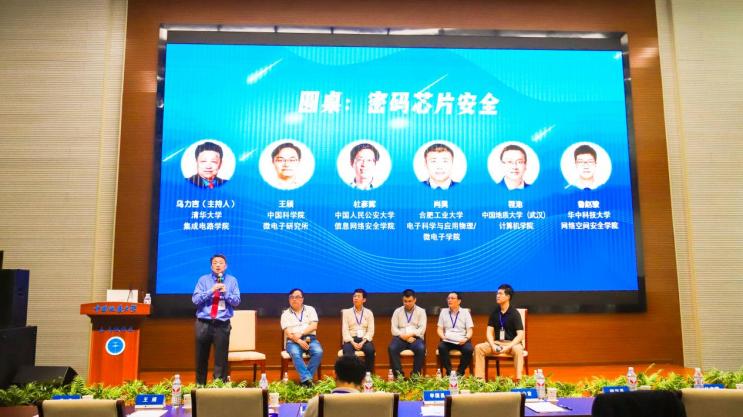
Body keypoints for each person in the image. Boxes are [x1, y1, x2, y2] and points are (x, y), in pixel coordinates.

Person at [192, 254, 241, 385]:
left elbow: (236, 301)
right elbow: (195, 300)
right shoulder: (203, 280)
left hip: (222, 324)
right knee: (201, 358)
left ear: (226, 266)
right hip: (203, 323)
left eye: (221, 263)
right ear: (211, 266)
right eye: (215, 263)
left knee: (221, 359)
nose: (218, 265)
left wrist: (226, 293)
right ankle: (200, 387)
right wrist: (211, 290)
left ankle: (218, 388)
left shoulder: (232, 281)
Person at [474, 284, 525, 381]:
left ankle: (519, 380)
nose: (497, 296)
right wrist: (492, 345)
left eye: (500, 294)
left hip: (512, 344)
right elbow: (489, 332)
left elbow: (520, 335)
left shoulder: (514, 313)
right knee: (478, 348)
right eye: (497, 293)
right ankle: (479, 379)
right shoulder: (494, 312)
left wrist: (508, 346)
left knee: (518, 350)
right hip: (497, 343)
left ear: (508, 297)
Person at [280, 288, 323, 386]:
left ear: (302, 299)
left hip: (310, 339)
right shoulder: (285, 314)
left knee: (318, 352)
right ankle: (307, 380)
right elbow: (288, 333)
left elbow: (314, 326)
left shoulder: (310, 309)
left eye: (297, 297)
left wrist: (301, 333)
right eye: (291, 297)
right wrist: (299, 341)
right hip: (293, 341)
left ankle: (306, 380)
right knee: (295, 353)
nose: (294, 299)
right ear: (289, 299)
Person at [388, 289, 426, 377]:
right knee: (392, 348)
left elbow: (422, 329)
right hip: (400, 337)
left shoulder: (421, 311)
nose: (407, 303)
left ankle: (415, 376)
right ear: (402, 300)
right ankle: (399, 376)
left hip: (415, 338)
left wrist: (409, 335)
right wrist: (403, 336)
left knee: (421, 348)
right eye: (405, 301)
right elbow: (393, 329)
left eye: (410, 301)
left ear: (415, 300)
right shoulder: (397, 311)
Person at [437, 292, 474, 376]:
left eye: (452, 298)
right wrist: (443, 337)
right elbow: (439, 328)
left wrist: (466, 338)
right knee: (441, 347)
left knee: (469, 349)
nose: (449, 300)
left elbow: (470, 330)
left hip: (462, 340)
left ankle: (460, 373)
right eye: (448, 298)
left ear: (459, 301)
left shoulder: (465, 312)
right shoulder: (443, 312)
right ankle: (449, 372)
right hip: (448, 340)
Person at [341, 289, 376, 373]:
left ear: (364, 300)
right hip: (351, 339)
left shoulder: (369, 313)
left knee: (370, 350)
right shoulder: (346, 312)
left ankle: (368, 374)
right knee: (347, 352)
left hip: (364, 339)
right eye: (354, 296)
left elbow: (371, 331)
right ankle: (351, 375)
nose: (355, 298)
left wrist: (363, 342)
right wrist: (353, 342)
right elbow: (345, 330)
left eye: (358, 296)